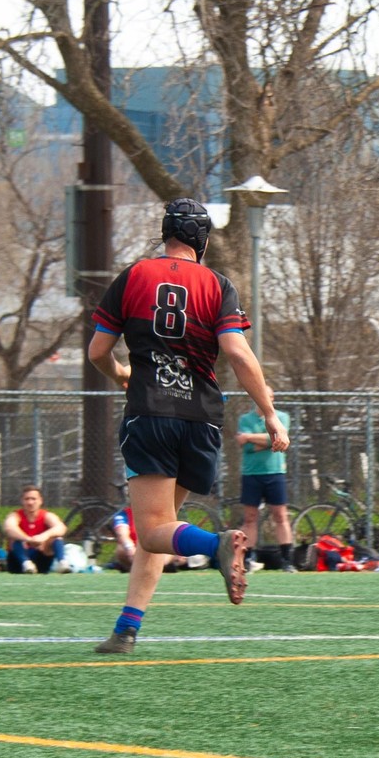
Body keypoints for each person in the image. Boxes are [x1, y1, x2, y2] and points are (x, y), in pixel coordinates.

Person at [88, 197, 285, 653]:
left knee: (154, 530)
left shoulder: (135, 276)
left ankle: (215, 544)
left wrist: (120, 374)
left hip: (152, 414)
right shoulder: (218, 284)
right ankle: (126, 628)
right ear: (203, 241)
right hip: (201, 420)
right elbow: (237, 354)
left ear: (165, 234)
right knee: (163, 525)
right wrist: (269, 413)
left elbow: (98, 351)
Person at [237, 406, 297, 572]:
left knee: (280, 516)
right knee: (250, 518)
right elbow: (247, 447)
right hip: (251, 474)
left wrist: (249, 437)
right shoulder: (245, 419)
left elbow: (278, 440)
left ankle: (287, 560)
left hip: (275, 473)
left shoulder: (281, 417)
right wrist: (266, 440)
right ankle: (247, 559)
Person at [4, 486, 67, 573]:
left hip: (41, 557)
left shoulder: (47, 515)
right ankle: (26, 564)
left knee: (56, 538)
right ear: (22, 501)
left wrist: (43, 536)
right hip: (18, 562)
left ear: (40, 501)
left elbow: (61, 528)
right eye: (27, 499)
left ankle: (62, 563)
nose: (30, 502)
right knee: (14, 539)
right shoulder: (15, 515)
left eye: (33, 499)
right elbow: (9, 528)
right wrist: (28, 539)